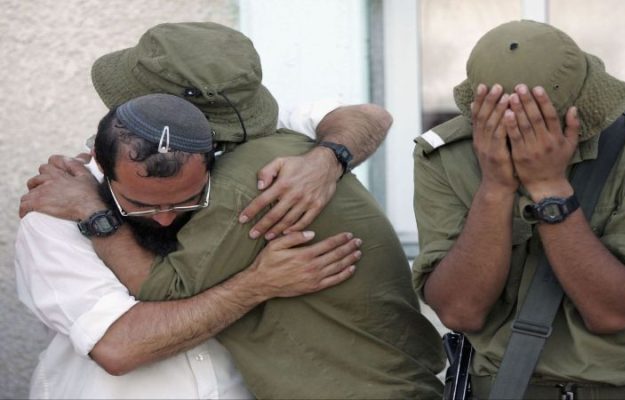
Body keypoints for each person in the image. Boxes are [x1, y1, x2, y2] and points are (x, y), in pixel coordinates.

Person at [20, 23, 445, 400]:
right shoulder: (59, 207)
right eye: (142, 205)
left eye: (187, 199)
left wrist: (327, 160)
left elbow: (370, 117)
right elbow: (119, 347)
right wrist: (257, 284)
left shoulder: (259, 160)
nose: (165, 217)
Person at [412, 20, 625, 399]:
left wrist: (548, 189)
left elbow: (614, 311)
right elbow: (460, 312)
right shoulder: (446, 156)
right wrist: (496, 188)